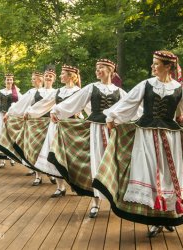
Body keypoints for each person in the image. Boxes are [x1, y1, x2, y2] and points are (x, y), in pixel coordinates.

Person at [92, 50, 183, 237]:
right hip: (145, 136)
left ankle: (168, 217)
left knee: (169, 177)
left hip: (171, 139)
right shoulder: (146, 84)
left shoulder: (180, 90)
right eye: (153, 63)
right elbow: (129, 103)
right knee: (150, 172)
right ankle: (156, 220)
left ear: (168, 67)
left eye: (156, 64)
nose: (152, 67)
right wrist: (112, 116)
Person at [50, 59, 127, 218]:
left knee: (114, 163)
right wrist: (56, 110)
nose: (98, 71)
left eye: (101, 68)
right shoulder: (92, 87)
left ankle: (117, 200)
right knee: (96, 163)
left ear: (110, 71)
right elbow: (75, 101)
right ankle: (95, 202)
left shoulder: (119, 91)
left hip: (113, 131)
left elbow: (131, 107)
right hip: (96, 129)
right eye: (96, 68)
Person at [17, 65, 81, 195]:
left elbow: (89, 107)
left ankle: (75, 183)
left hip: (72, 126)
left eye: (63, 74)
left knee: (72, 158)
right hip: (56, 126)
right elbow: (44, 103)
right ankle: (60, 187)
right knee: (54, 155)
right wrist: (29, 112)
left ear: (70, 76)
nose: (61, 76)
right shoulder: (58, 91)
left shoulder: (79, 91)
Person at [0, 70, 56, 175]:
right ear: (43, 78)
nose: (48, 78)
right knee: (35, 148)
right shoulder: (35, 92)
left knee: (48, 148)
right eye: (46, 76)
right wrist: (9, 113)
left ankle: (50, 173)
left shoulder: (56, 92)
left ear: (54, 79)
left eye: (50, 76)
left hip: (50, 123)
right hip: (35, 123)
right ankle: (38, 176)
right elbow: (21, 104)